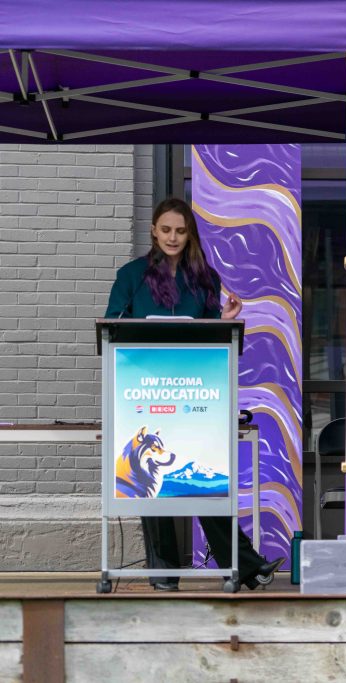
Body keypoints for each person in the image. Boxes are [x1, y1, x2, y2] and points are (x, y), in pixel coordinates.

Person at [105, 197, 283, 591]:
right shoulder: (131, 275)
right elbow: (112, 328)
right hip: (143, 394)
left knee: (203, 482)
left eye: (180, 231)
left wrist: (225, 321)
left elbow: (211, 337)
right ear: (154, 230)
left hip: (193, 394)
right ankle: (165, 572)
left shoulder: (205, 278)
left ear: (190, 234)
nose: (172, 237)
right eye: (166, 229)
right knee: (150, 483)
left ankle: (245, 566)